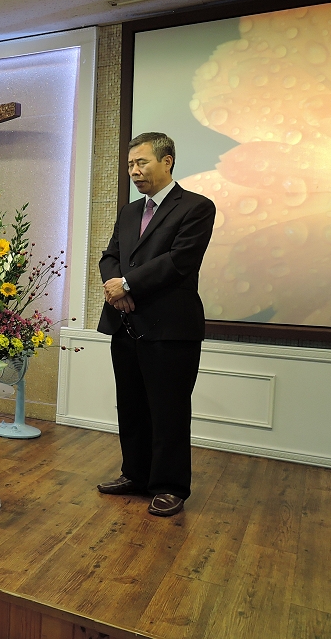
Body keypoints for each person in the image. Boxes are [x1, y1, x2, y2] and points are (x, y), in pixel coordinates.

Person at [97, 132, 216, 517]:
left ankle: (169, 486)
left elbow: (180, 260)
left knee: (169, 411)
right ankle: (135, 475)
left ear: (167, 161)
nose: (134, 171)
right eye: (130, 164)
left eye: (141, 162)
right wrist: (116, 289)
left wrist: (128, 284)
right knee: (131, 406)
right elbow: (110, 256)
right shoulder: (130, 211)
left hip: (170, 328)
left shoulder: (197, 207)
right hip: (125, 323)